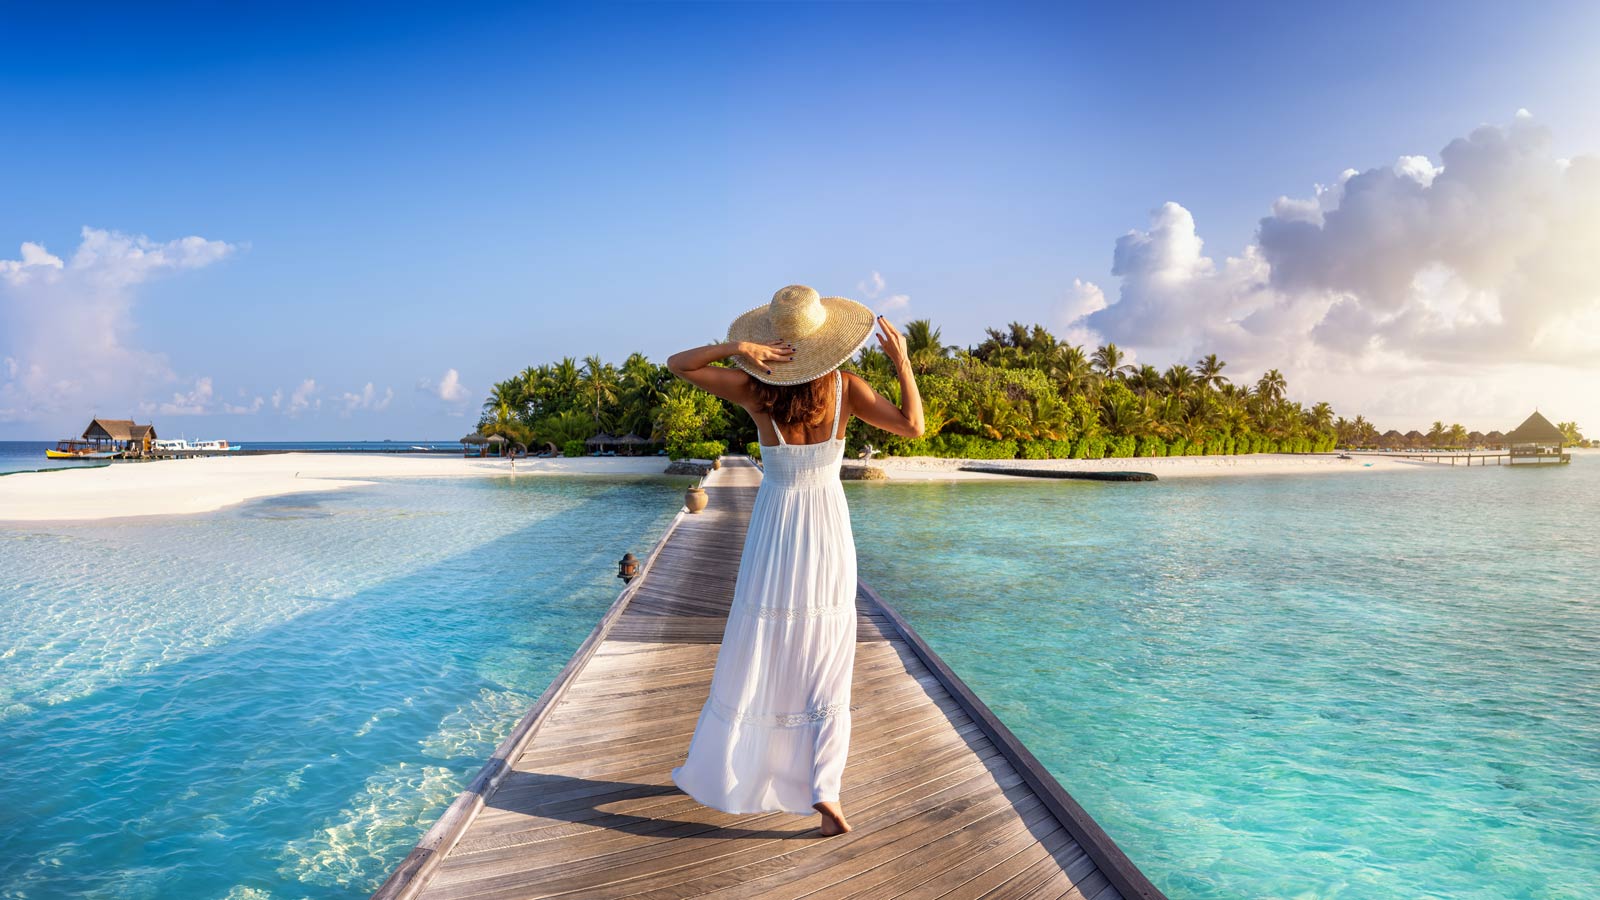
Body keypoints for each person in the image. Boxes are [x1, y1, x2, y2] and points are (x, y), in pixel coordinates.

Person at [665, 284, 924, 837]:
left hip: (777, 526)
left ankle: (744, 766)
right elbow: (913, 426)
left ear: (774, 340)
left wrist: (739, 349)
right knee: (827, 651)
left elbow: (678, 364)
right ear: (828, 343)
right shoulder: (848, 387)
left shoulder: (755, 391)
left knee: (765, 641)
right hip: (827, 526)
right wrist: (903, 364)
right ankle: (824, 789)